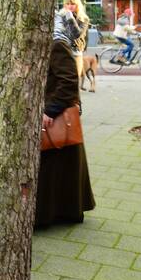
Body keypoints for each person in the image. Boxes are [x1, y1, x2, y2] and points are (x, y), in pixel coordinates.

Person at [36, 30, 96, 227]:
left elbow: (69, 81)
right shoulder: (37, 44)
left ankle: (57, 214)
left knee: (55, 166)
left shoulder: (55, 44)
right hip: (50, 114)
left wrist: (50, 111)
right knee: (56, 168)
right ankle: (62, 212)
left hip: (56, 116)